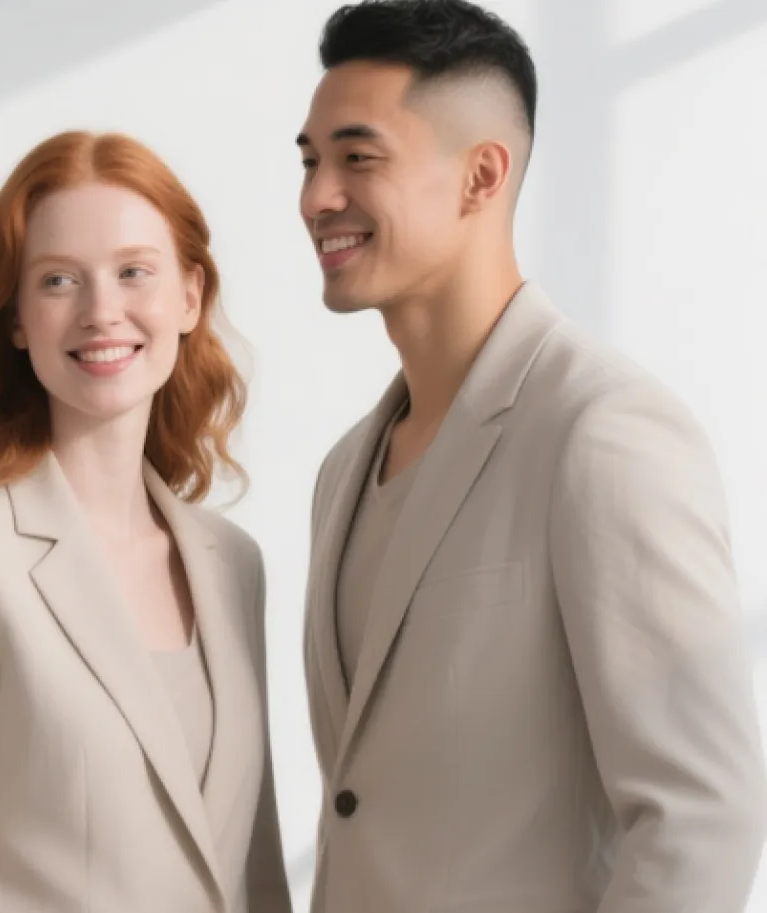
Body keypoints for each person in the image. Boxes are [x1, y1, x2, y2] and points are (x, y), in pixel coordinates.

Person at [294, 2, 767, 910]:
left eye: (358, 157)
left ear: (481, 175)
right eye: (311, 161)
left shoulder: (604, 432)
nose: (318, 196)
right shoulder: (343, 469)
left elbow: (704, 813)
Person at [0, 130, 292, 913]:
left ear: (189, 296)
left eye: (134, 272)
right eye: (59, 280)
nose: (102, 312)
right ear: (17, 316)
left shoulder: (233, 563)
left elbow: (254, 874)